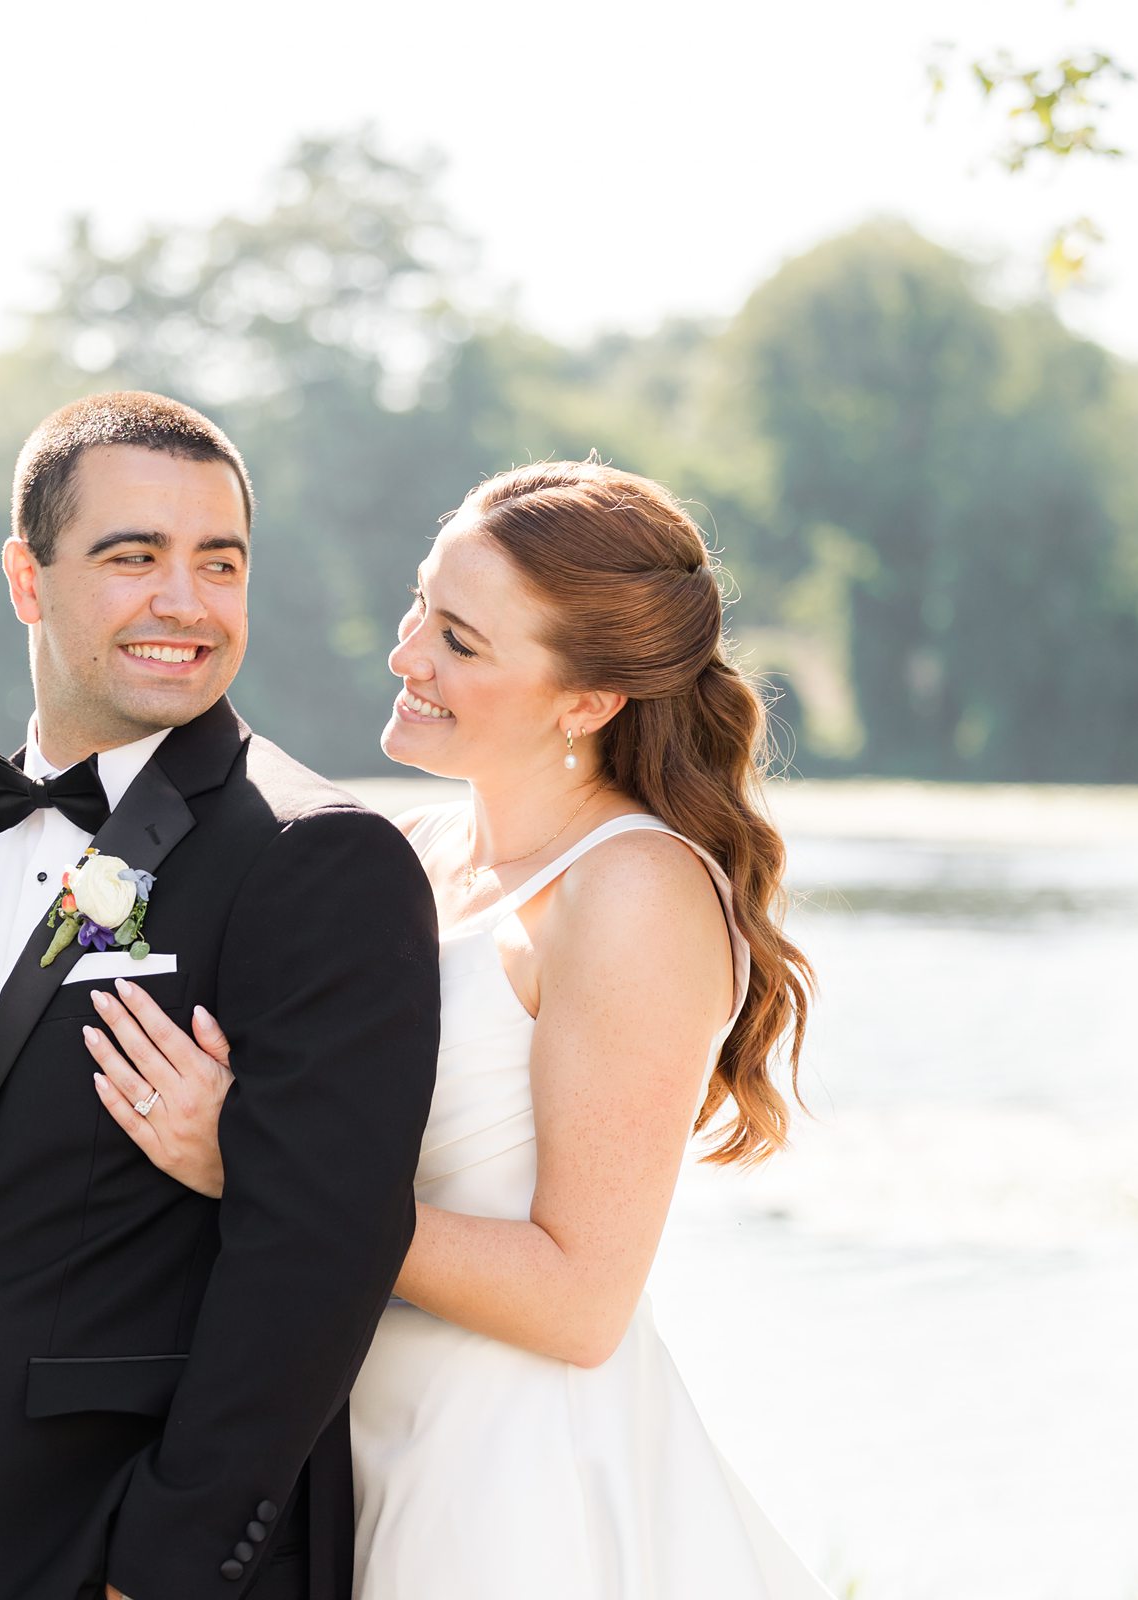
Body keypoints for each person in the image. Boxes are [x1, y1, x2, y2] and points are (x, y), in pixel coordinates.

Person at [85, 459, 833, 1598]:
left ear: (585, 701)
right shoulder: (414, 854)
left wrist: (251, 1161)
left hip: (515, 1477)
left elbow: (583, 1301)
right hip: (359, 1444)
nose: (407, 656)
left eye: (461, 642)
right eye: (419, 608)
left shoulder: (632, 891)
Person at [0, 392, 440, 1600]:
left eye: (219, 563)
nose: (187, 602)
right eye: (135, 557)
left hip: (133, 1563)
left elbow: (320, 1251)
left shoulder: (317, 856)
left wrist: (160, 1571)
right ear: (28, 577)